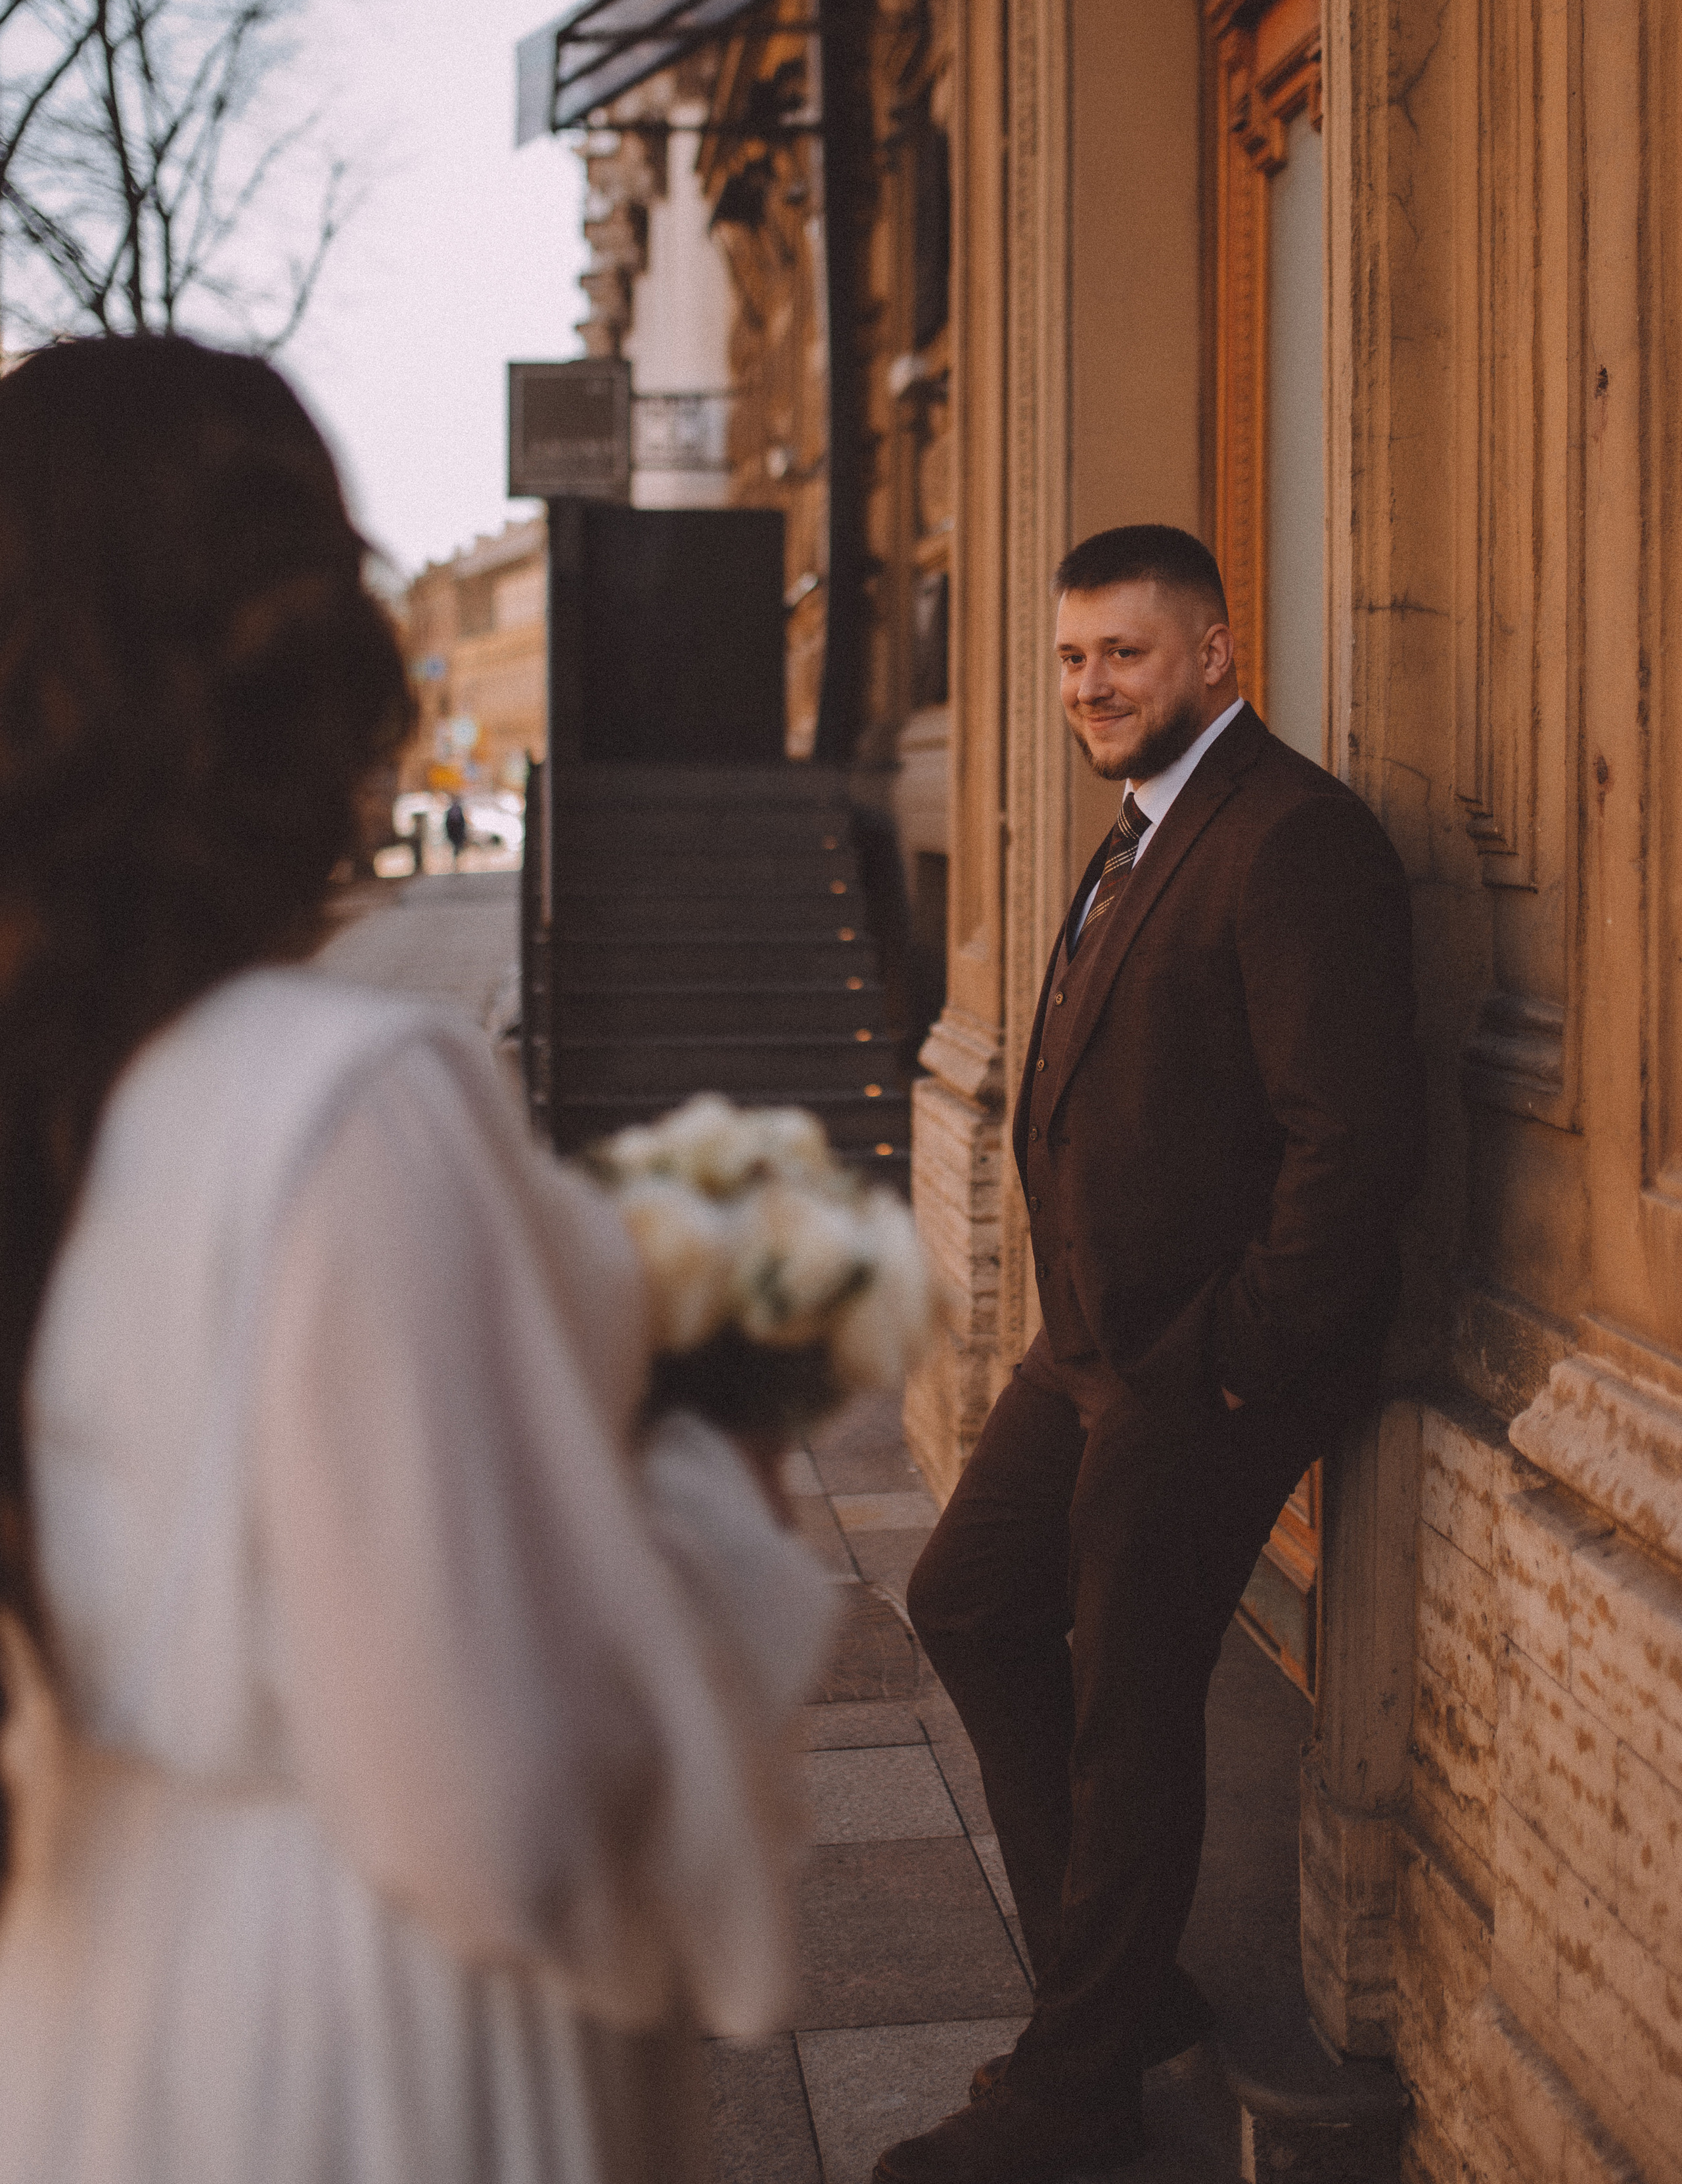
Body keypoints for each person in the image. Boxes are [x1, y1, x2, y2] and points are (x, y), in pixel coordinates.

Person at [0, 336, 833, 2184]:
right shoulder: (346, 1104)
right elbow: (504, 1810)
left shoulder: (57, 1096)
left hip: (89, 2000)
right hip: (343, 2050)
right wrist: (712, 1492)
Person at [875, 524, 1426, 2183]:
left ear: (1207, 649)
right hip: (1083, 1346)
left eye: (1122, 652)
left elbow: (1349, 1147)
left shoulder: (1291, 837)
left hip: (1199, 1362)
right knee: (965, 1598)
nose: (1088, 685)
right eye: (1066, 658)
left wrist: (1227, 1364)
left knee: (1127, 1711)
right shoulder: (1141, 828)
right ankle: (1125, 1984)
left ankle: (1072, 2087)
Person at [444, 793, 468, 866]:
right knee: (456, 846)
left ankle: (458, 862)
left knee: (458, 847)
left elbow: (462, 822)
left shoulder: (457, 810)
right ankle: (457, 862)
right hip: (454, 831)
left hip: (457, 831)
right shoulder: (452, 810)